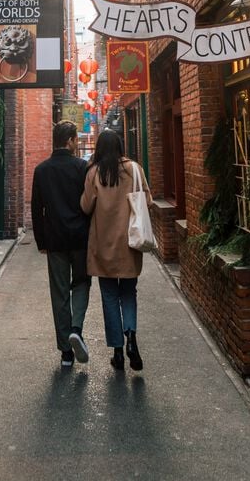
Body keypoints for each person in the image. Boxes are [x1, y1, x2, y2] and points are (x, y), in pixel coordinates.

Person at [81, 129, 152, 372]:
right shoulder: (134, 169)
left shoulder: (94, 172)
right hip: (130, 244)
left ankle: (118, 351)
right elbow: (148, 202)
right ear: (120, 146)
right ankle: (131, 336)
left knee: (109, 297)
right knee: (129, 293)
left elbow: (85, 205)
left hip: (103, 245)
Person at [31, 120, 91, 368]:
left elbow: (36, 208)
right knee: (81, 283)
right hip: (80, 238)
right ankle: (76, 328)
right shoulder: (81, 167)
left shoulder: (42, 170)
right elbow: (90, 204)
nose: (77, 144)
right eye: (76, 139)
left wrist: (40, 241)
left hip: (54, 239)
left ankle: (66, 352)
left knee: (59, 292)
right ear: (69, 141)